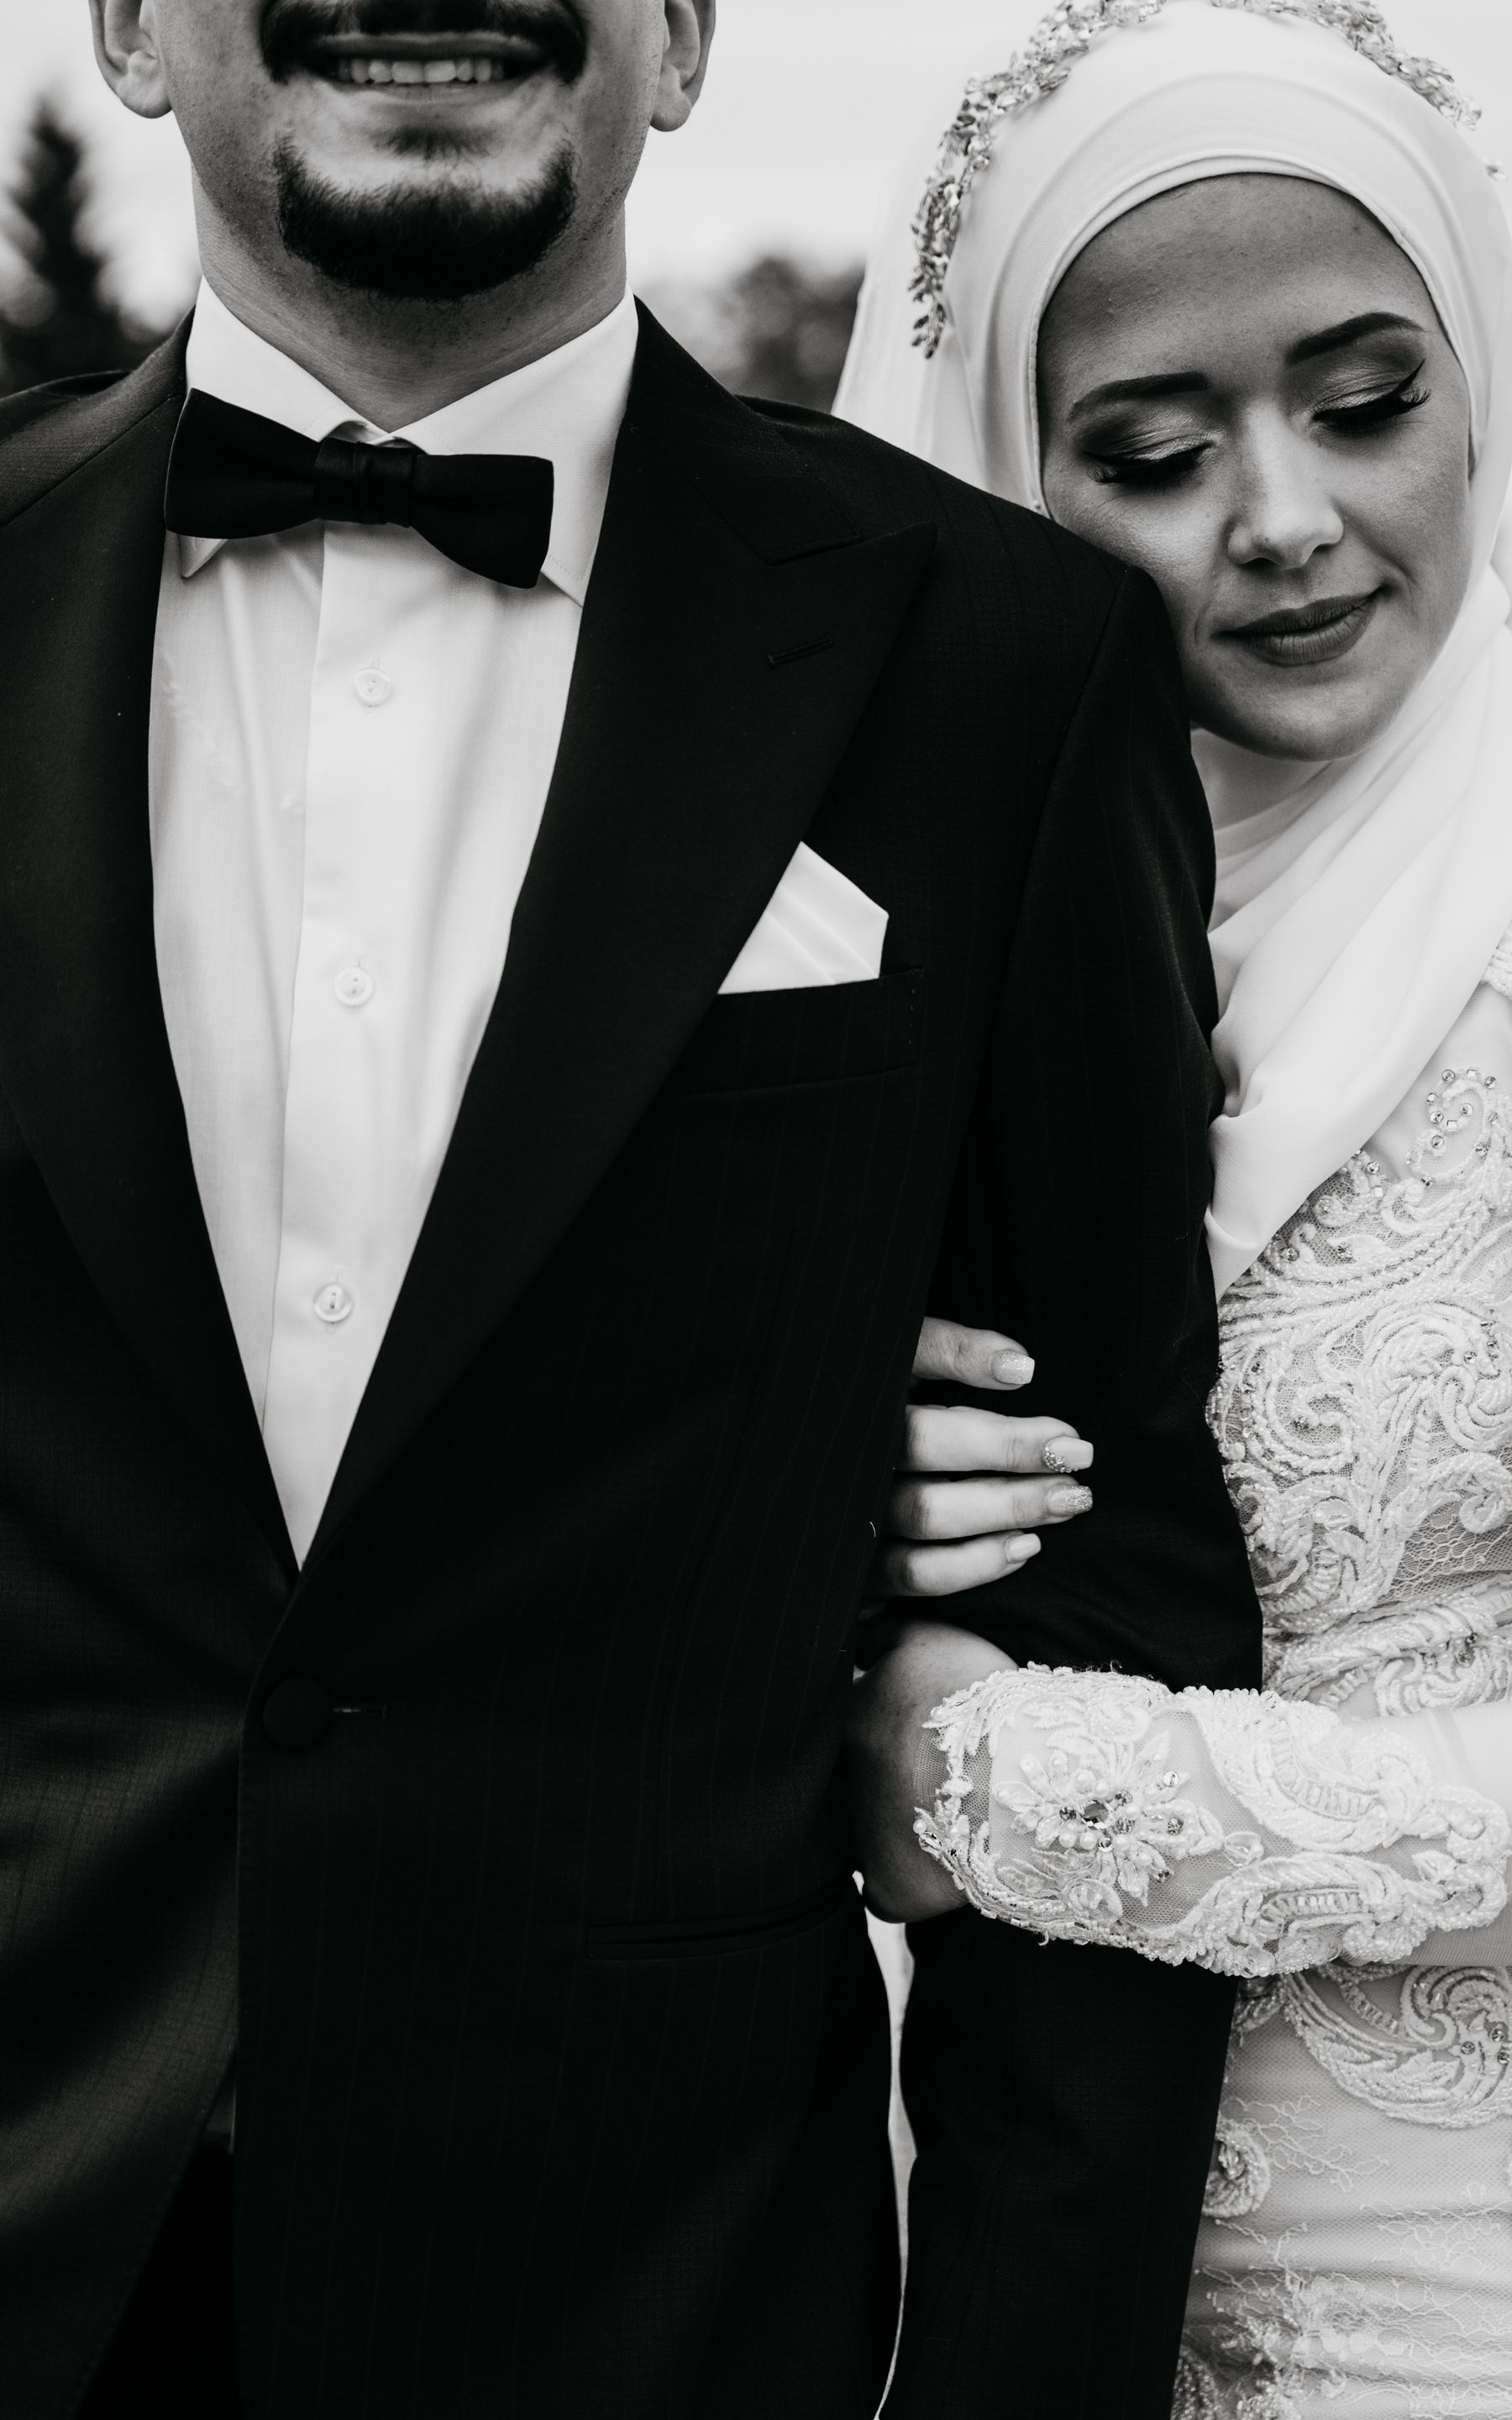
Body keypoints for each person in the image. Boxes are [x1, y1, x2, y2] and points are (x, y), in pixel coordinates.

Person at [0, 1, 1262, 2412]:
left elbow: (1123, 1583)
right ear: (128, 30)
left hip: (663, 2317)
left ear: (681, 37)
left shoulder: (1003, 663)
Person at [837, 1, 1512, 2412]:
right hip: (1011, 2281)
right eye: (1157, 454)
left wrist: (972, 1778)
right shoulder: (912, 954)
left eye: (1365, 402)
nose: (1280, 514)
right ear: (1004, 485)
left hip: (1501, 2310)